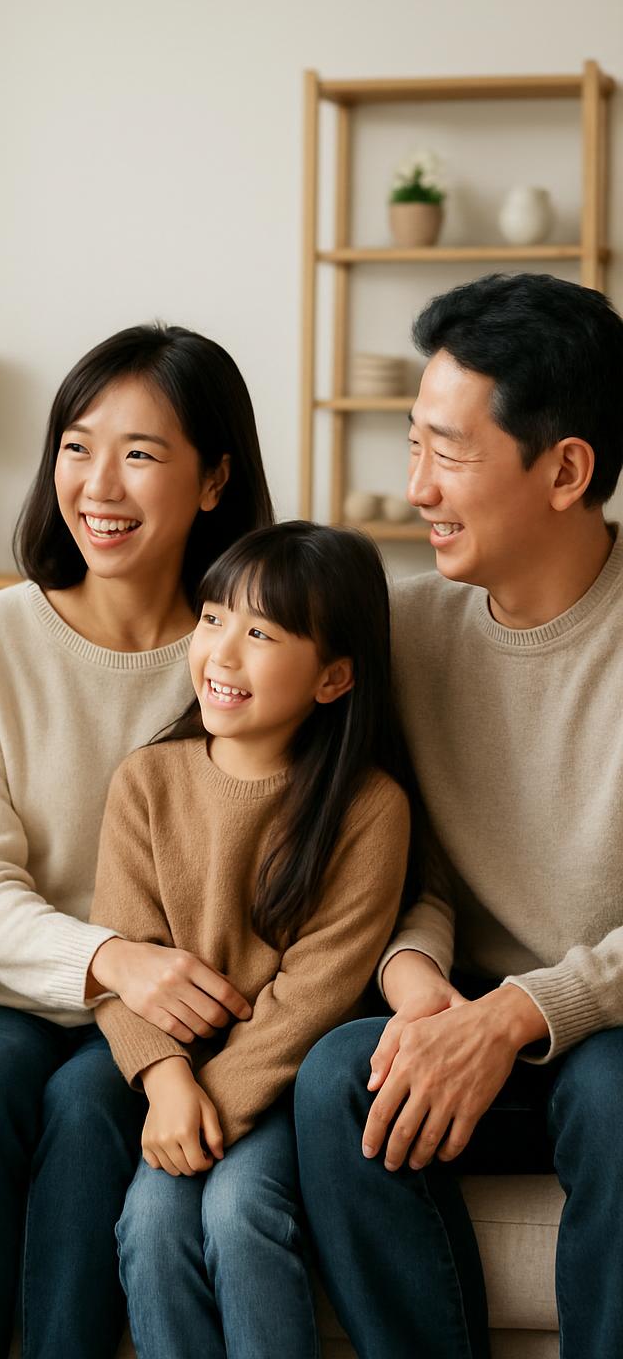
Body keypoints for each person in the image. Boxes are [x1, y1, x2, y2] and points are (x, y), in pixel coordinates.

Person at [0, 324, 274, 1359]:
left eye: (141, 453)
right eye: (76, 445)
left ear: (214, 481)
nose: (98, 484)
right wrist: (113, 961)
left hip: (184, 1008)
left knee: (84, 1107)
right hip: (8, 991)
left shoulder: (246, 650)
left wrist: (162, 986)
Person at [295, 272, 623, 1359]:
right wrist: (417, 984)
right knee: (345, 1072)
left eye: (449, 452)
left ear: (565, 469)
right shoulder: (405, 633)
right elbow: (398, 867)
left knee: (618, 1092)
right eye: (409, 445)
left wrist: (520, 1014)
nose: (415, 489)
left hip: (606, 1029)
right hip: (469, 1012)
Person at [91, 521, 412, 1359]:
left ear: (334, 678)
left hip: (279, 1088)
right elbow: (120, 959)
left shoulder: (369, 809)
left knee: (241, 1212)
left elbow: (316, 994)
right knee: (151, 1223)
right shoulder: (147, 781)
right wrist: (166, 1087)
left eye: (262, 633)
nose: (222, 652)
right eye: (211, 619)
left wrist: (212, 1106)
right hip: (173, 1086)